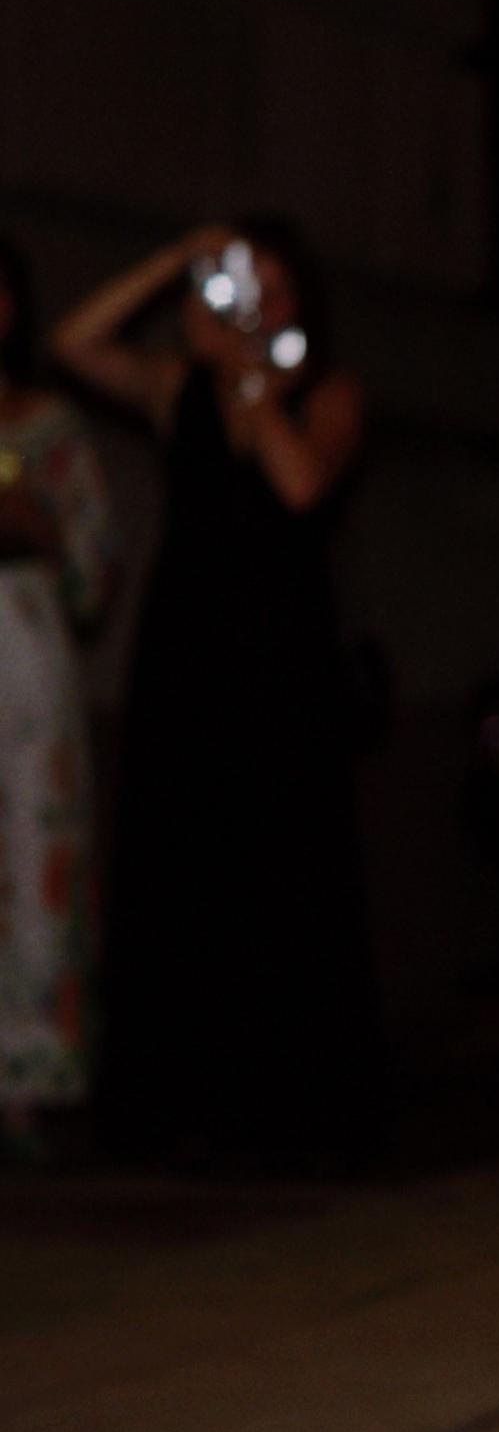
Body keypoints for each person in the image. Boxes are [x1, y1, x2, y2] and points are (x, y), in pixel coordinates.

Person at [53, 219, 377, 1171]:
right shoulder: (176, 382)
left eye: (277, 289)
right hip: (188, 654)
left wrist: (246, 371)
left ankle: (287, 1102)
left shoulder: (329, 391)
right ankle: (171, 1099)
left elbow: (298, 482)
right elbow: (72, 343)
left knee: (283, 866)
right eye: (244, 285)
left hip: (283, 664)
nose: (258, 306)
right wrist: (168, 264)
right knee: (179, 863)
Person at [0, 237, 117, 1156]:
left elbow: (93, 574)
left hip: (27, 638)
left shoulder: (49, 426)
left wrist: (31, 520)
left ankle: (32, 1078)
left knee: (39, 843)